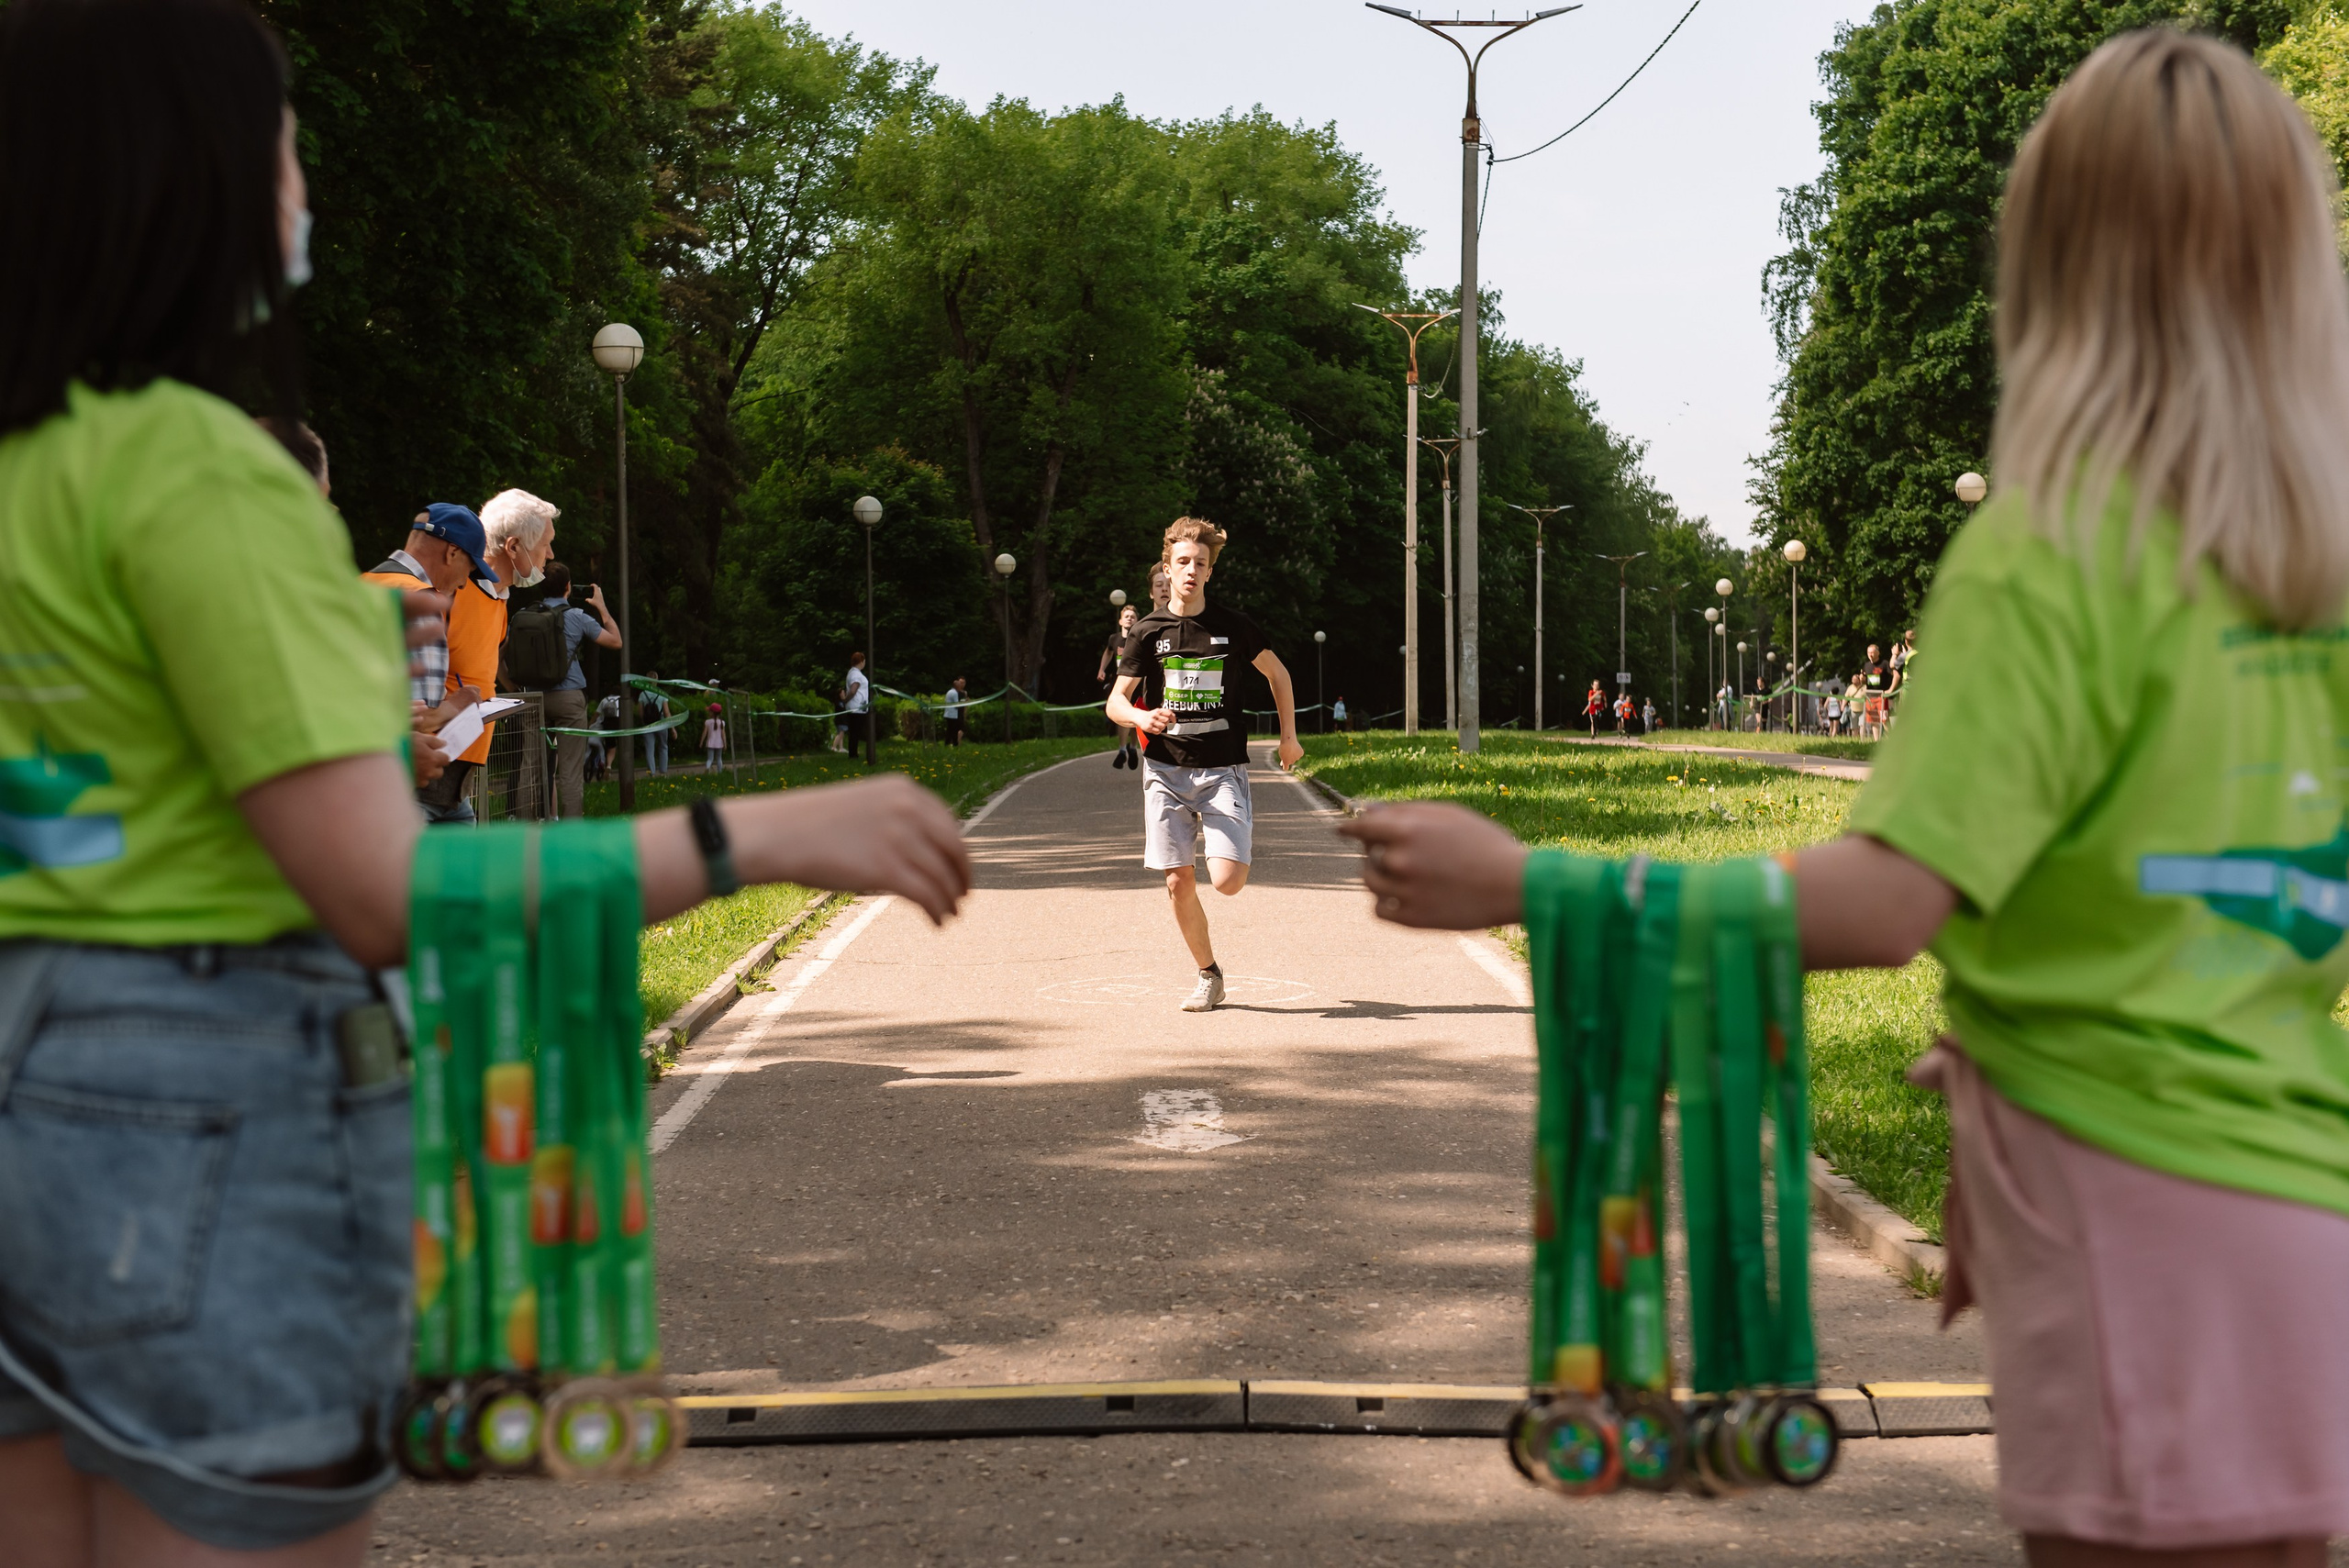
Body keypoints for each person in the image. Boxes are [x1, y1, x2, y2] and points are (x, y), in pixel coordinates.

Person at [1348, 31, 2349, 1565]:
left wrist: (1529, 880)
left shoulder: (2052, 557)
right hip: (2303, 1221)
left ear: (2050, 274)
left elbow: (1889, 904)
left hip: (2131, 1232)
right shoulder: (2313, 591)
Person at [0, 6, 974, 1562]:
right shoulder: (195, 474)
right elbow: (387, 891)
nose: (302, 182)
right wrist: (759, 828)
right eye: (286, 143)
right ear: (186, 179)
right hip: (194, 1103)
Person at [1106, 517, 1302, 1012]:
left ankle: (1235, 832)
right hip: (1165, 772)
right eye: (1183, 563)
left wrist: (1289, 738)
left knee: (1228, 882)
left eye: (1201, 564)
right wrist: (1142, 716)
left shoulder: (1233, 626)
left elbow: (1278, 674)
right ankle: (1208, 974)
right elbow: (1115, 703)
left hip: (1222, 770)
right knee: (1177, 881)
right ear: (1167, 569)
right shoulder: (1148, 633)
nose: (1191, 571)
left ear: (1210, 572)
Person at [361, 503, 500, 820]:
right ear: (452, 553)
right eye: (470, 567)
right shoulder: (421, 601)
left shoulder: (361, 584)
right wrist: (458, 704)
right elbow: (416, 721)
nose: (465, 583)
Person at [507, 562, 619, 820]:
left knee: (530, 769)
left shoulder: (522, 616)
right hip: (569, 699)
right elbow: (616, 641)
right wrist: (601, 606)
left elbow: (500, 656)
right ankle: (570, 835)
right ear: (568, 587)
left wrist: (514, 687)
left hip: (533, 700)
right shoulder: (576, 616)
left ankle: (525, 832)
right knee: (569, 771)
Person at [1099, 603, 1141, 770]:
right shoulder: (1114, 639)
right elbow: (1109, 651)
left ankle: (1133, 747)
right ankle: (1123, 750)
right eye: (1127, 616)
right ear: (1120, 621)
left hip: (1137, 682)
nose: (1130, 619)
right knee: (1123, 716)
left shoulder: (1140, 636)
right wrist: (1102, 669)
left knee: (1135, 716)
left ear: (1137, 620)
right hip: (1119, 683)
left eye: (1133, 617)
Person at [638, 673, 673, 775]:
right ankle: (663, 772)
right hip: (661, 723)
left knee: (649, 749)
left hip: (648, 725)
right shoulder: (661, 693)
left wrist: (643, 722)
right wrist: (672, 728)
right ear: (657, 680)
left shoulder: (642, 694)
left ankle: (651, 773)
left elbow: (640, 713)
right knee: (663, 747)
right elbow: (666, 712)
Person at [839, 651, 872, 756]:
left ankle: (853, 753)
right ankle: (853, 754)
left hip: (857, 708)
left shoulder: (853, 672)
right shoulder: (856, 674)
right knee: (855, 732)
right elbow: (853, 691)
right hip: (857, 708)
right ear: (861, 662)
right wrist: (845, 700)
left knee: (854, 732)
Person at [942, 676, 968, 748]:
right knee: (953, 730)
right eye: (959, 685)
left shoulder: (949, 692)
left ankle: (947, 743)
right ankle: (955, 744)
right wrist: (964, 702)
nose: (961, 687)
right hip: (952, 715)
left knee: (950, 730)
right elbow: (957, 705)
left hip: (948, 714)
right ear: (957, 686)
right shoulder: (955, 693)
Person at [701, 704, 727, 772]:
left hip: (710, 743)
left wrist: (701, 742)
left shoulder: (708, 722)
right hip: (719, 743)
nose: (708, 712)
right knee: (719, 758)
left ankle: (707, 769)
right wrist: (725, 744)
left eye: (709, 711)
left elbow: (704, 733)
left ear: (712, 713)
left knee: (710, 759)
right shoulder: (722, 722)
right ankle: (720, 772)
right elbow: (723, 735)